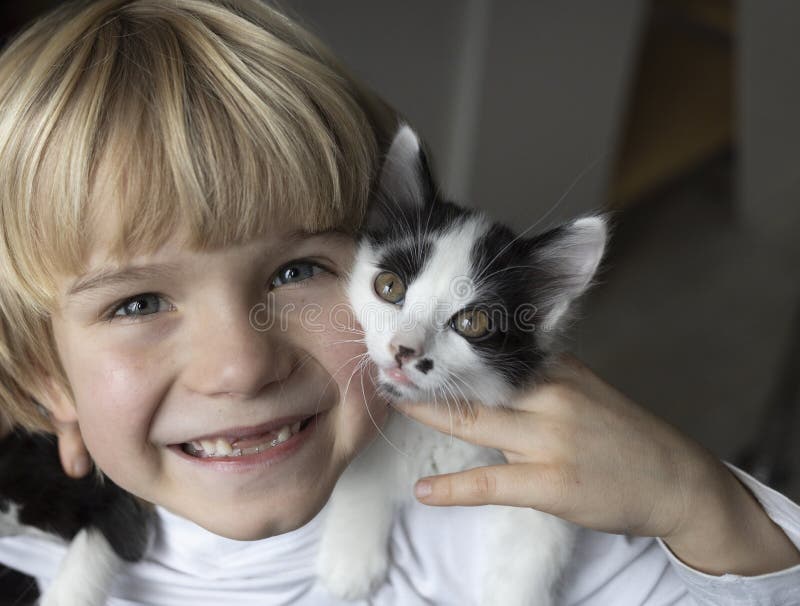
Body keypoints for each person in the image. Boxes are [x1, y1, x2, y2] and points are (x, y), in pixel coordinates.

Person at [0, 1, 798, 604]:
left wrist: (700, 504)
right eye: (138, 303)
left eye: (293, 273)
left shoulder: (506, 530)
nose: (240, 367)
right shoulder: (24, 552)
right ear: (45, 378)